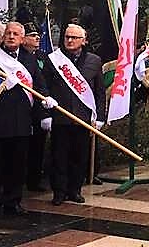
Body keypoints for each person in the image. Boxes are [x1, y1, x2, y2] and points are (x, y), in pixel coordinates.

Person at [0, 22, 54, 217]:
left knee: (17, 166)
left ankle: (13, 202)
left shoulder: (30, 60)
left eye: (16, 34)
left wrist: (45, 101)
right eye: (8, 33)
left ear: (22, 39)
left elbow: (39, 84)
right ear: (3, 37)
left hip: (21, 122)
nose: (11, 37)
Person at [40, 23, 105, 205]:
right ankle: (59, 192)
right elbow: (43, 85)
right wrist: (45, 110)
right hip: (60, 117)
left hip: (83, 119)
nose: (69, 40)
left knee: (79, 156)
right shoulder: (53, 60)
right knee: (59, 156)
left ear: (83, 41)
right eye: (67, 37)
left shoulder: (94, 60)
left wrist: (100, 117)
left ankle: (74, 190)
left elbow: (99, 91)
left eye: (74, 37)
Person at [22, 23, 48, 193]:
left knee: (38, 147)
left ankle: (34, 180)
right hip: (24, 110)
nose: (37, 38)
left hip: (40, 110)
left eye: (38, 35)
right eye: (32, 35)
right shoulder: (18, 58)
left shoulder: (44, 57)